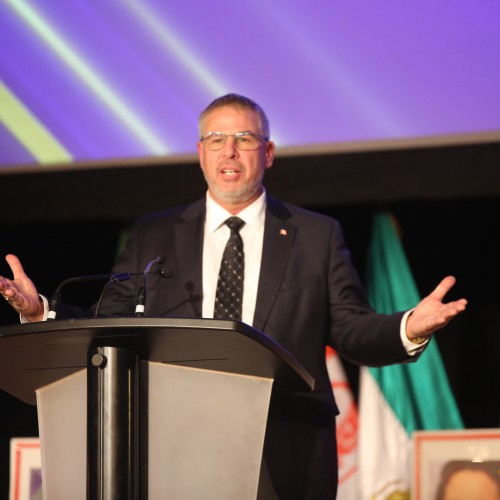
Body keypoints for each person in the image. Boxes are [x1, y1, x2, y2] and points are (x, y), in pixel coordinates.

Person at [0, 94, 467, 499]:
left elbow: (350, 327)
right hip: (173, 444)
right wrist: (41, 309)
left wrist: (406, 327)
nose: (230, 150)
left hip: (286, 447)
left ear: (268, 153)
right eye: (216, 139)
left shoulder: (315, 235)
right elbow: (109, 322)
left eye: (244, 138)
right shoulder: (154, 235)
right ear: (200, 153)